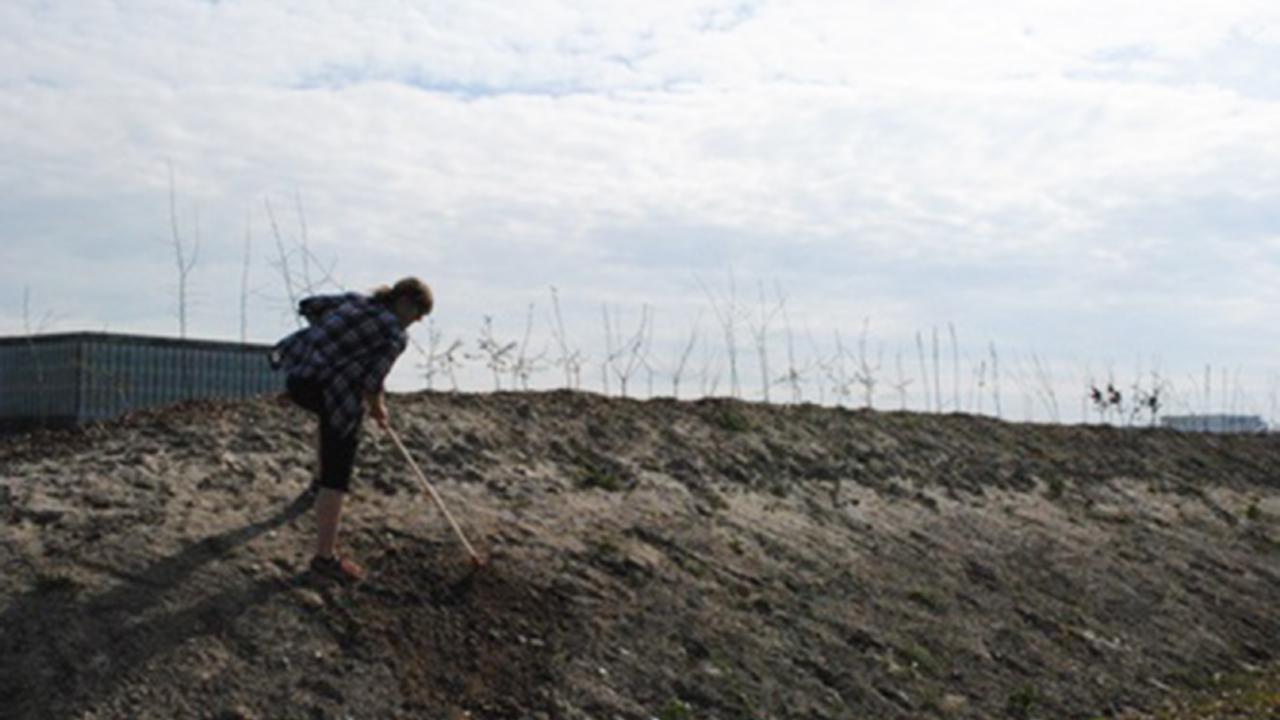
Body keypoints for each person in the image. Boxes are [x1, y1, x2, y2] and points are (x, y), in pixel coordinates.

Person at [270, 277, 433, 582]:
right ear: (407, 305)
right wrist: (378, 409)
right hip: (331, 391)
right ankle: (324, 558)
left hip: (299, 379)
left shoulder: (357, 301)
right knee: (339, 469)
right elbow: (372, 384)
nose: (416, 322)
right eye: (418, 314)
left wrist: (333, 341)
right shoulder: (393, 334)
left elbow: (309, 306)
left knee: (329, 422)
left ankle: (317, 484)